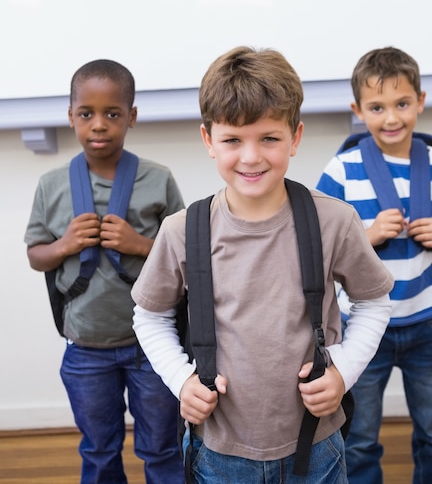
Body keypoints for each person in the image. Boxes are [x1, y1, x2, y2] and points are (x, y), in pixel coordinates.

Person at [131, 45, 394, 484]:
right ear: (208, 141)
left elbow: (374, 302)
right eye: (233, 139)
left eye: (269, 138)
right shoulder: (182, 230)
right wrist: (181, 381)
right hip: (218, 452)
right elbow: (149, 315)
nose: (251, 157)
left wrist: (342, 374)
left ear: (295, 137)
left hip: (316, 445)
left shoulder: (334, 220)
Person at [316, 46, 432, 484]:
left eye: (402, 104)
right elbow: (319, 243)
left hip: (428, 323)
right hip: (364, 327)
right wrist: (368, 234)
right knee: (362, 435)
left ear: (421, 101)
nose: (391, 118)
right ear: (357, 111)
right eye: (377, 107)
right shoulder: (344, 168)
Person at [24, 59, 186, 484]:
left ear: (131, 117)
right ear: (71, 116)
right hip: (85, 348)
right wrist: (64, 246)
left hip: (153, 346)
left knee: (164, 448)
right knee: (98, 450)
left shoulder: (158, 179)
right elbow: (36, 255)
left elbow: (188, 258)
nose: (99, 125)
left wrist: (139, 245)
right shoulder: (51, 184)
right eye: (86, 114)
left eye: (112, 114)